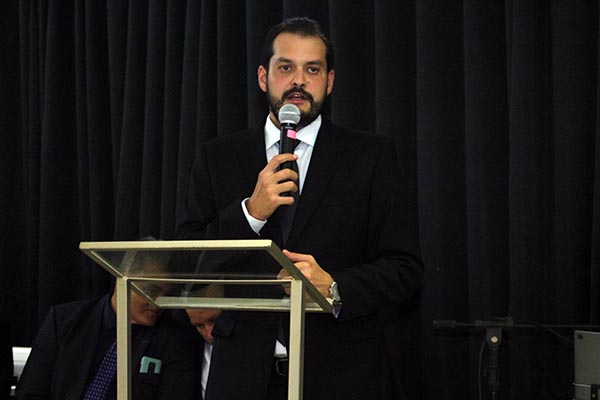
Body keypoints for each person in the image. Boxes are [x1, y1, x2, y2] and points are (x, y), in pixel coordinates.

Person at [177, 17, 423, 400]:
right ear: (263, 77)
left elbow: (404, 269)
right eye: (285, 67)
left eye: (312, 69)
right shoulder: (218, 157)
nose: (298, 81)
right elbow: (187, 262)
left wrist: (335, 288)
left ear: (330, 81)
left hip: (341, 375)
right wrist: (250, 213)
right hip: (242, 376)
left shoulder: (370, 156)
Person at [16, 248, 199, 400]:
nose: (157, 302)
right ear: (122, 280)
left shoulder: (175, 341)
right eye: (151, 290)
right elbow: (30, 392)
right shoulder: (64, 321)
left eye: (166, 295)